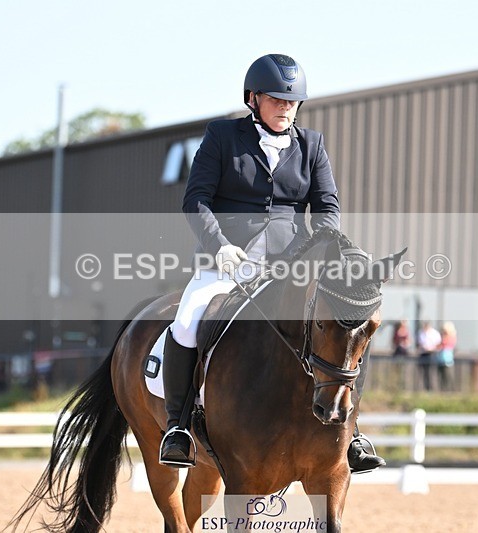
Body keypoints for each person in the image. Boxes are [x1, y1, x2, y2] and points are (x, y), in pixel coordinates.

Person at [159, 54, 385, 474]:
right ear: (253, 98)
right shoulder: (223, 135)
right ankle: (178, 428)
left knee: (345, 324)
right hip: (225, 263)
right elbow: (196, 199)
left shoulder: (311, 144)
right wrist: (219, 245)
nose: (285, 107)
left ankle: (352, 432)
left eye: (292, 101)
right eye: (277, 99)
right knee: (188, 321)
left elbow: (327, 207)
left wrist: (320, 247)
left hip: (287, 266)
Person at [416, 322, 440, 391]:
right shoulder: (421, 333)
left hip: (432, 354)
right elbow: (419, 343)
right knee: (424, 372)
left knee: (431, 372)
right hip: (423, 354)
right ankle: (426, 388)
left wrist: (432, 348)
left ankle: (432, 388)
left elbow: (438, 344)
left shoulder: (434, 333)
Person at [436, 322, 456, 390]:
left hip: (447, 360)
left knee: (448, 377)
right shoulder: (441, 338)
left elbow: (444, 344)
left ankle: (450, 390)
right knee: (441, 377)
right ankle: (443, 390)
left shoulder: (451, 338)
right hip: (440, 360)